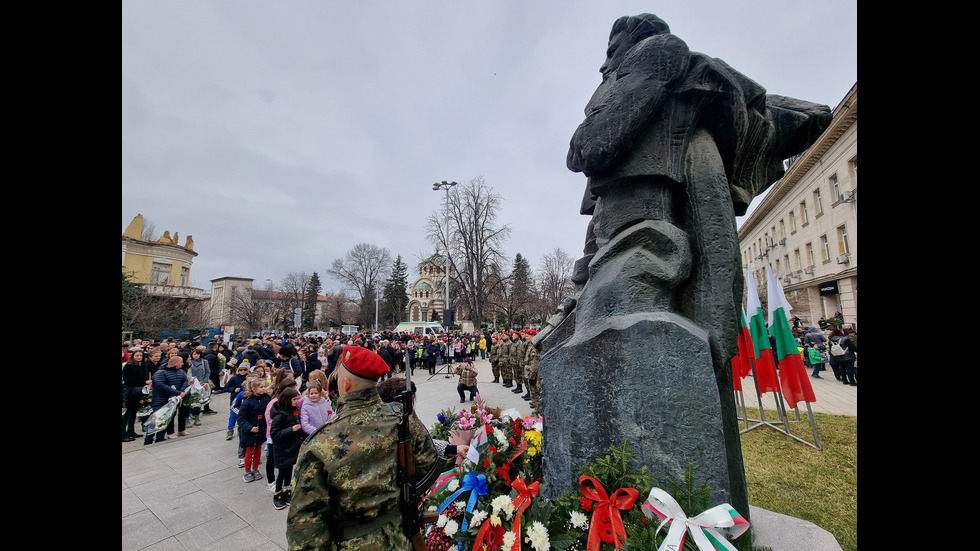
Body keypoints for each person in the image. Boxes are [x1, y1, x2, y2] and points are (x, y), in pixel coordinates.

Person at [286, 345, 436, 550]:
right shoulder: (400, 416)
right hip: (400, 538)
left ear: (346, 384)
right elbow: (427, 463)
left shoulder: (320, 442)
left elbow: (305, 529)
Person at [270, 386, 305, 510]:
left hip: (292, 447)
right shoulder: (279, 416)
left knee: (289, 470)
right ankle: (278, 494)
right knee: (282, 472)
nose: (296, 401)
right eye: (294, 399)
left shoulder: (292, 410)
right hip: (282, 449)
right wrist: (291, 429)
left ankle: (287, 490)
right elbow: (274, 434)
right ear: (287, 399)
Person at [143, 355, 189, 445]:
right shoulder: (160, 373)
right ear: (174, 363)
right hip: (160, 401)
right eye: (181, 362)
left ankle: (160, 439)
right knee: (156, 422)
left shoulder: (181, 371)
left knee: (166, 421)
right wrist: (177, 392)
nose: (183, 363)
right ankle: (148, 441)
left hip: (174, 401)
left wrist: (180, 392)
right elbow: (160, 385)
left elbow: (185, 381)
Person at [237, 377, 271, 483]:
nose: (263, 389)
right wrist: (249, 427)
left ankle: (255, 468)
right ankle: (247, 471)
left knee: (257, 450)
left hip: (260, 430)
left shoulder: (266, 398)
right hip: (250, 432)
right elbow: (241, 418)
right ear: (254, 389)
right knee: (249, 451)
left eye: (264, 386)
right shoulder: (247, 402)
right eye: (261, 387)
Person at [122, 350, 151, 441]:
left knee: (133, 413)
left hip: (138, 391)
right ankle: (123, 434)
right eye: (137, 355)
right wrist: (144, 382)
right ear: (133, 356)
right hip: (130, 392)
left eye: (140, 356)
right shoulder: (128, 366)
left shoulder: (141, 365)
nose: (139, 357)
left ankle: (131, 431)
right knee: (126, 414)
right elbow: (128, 380)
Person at [223, 364, 251, 439]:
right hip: (235, 400)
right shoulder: (234, 378)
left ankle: (240, 428)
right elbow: (226, 387)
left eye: (245, 369)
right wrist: (233, 389)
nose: (242, 371)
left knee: (242, 416)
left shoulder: (249, 377)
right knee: (232, 416)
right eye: (241, 370)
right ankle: (230, 430)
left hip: (245, 402)